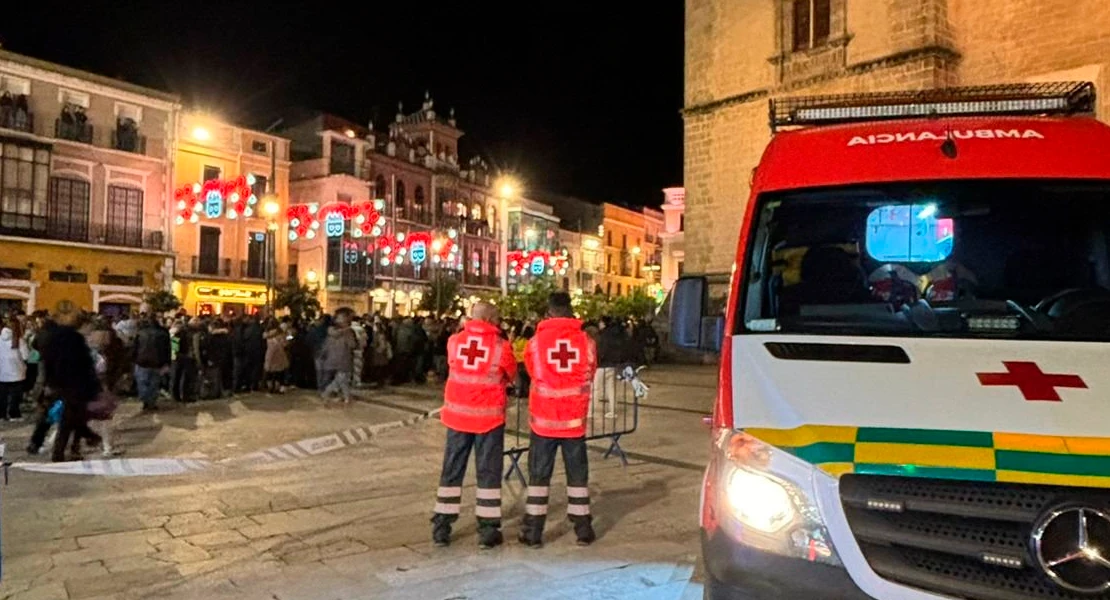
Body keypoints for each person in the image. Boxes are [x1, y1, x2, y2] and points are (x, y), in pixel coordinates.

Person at [432, 302, 516, 549]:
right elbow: (510, 373)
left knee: (451, 470)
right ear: (490, 319)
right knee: (488, 473)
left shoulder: (455, 341)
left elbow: (454, 366)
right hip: (488, 419)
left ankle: (441, 526)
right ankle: (488, 530)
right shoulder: (501, 346)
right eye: (497, 317)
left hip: (457, 417)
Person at [520, 292, 599, 548]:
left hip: (543, 421)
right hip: (574, 421)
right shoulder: (586, 341)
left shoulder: (535, 342)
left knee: (539, 476)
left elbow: (532, 371)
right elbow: (591, 370)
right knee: (578, 476)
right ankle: (583, 528)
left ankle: (533, 532)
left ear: (550, 311)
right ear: (570, 310)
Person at [41, 312, 102, 462]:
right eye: (90, 327)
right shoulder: (76, 341)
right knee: (68, 421)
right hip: (74, 387)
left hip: (63, 385)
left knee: (73, 419)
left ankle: (75, 447)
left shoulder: (63, 339)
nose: (91, 330)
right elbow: (84, 366)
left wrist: (49, 382)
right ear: (84, 325)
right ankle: (62, 452)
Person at [133, 316, 171, 412]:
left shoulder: (140, 333)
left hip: (142, 361)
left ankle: (145, 400)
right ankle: (151, 402)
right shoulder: (163, 334)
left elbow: (135, 348)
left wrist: (133, 359)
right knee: (154, 383)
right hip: (157, 362)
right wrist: (167, 362)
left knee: (142, 382)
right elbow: (168, 350)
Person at [321, 310, 358, 403]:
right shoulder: (348, 332)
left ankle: (345, 396)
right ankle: (327, 393)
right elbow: (352, 345)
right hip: (344, 358)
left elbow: (326, 346)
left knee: (342, 379)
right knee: (341, 379)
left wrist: (323, 355)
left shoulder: (330, 332)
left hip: (332, 359)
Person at [0, 316, 30, 421]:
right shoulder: (19, 340)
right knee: (15, 396)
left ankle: (2, 415)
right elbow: (26, 356)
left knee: (2, 395)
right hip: (17, 371)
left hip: (2, 372)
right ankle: (14, 414)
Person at [264, 324, 290, 394]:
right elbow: (285, 344)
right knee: (279, 373)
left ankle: (270, 387)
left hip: (270, 356)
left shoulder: (268, 337)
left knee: (270, 372)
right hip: (279, 356)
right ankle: (277, 387)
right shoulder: (281, 336)